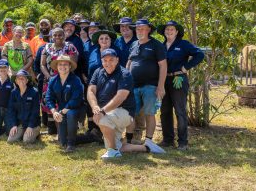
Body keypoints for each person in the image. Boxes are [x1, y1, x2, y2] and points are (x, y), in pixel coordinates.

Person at [87, 48, 166, 159]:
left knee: (102, 119)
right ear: (101, 61)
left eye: (111, 60)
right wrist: (95, 106)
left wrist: (102, 111)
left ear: (117, 60)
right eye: (105, 60)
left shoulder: (124, 74)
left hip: (124, 112)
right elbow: (91, 90)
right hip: (107, 112)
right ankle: (146, 148)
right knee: (117, 145)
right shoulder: (98, 72)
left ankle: (113, 151)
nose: (108, 63)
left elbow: (120, 97)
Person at [157, 21, 204, 150]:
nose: (169, 31)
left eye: (172, 29)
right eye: (167, 29)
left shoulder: (183, 44)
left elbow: (199, 54)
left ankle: (183, 142)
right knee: (165, 111)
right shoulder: (161, 46)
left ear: (177, 32)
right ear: (164, 32)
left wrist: (186, 67)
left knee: (180, 111)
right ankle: (168, 140)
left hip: (178, 79)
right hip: (164, 80)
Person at [126, 19, 167, 144]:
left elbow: (163, 65)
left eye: (143, 28)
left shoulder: (156, 45)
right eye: (138, 29)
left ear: (149, 29)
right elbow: (129, 62)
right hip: (133, 86)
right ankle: (130, 140)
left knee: (150, 113)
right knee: (130, 114)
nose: (140, 31)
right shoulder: (134, 44)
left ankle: (148, 141)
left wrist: (160, 86)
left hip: (150, 86)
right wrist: (125, 82)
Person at [39, 28, 79, 135]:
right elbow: (42, 64)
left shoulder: (70, 47)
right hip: (49, 80)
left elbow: (73, 64)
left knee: (63, 104)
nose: (57, 37)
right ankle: (54, 130)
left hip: (66, 80)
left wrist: (62, 77)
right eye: (55, 35)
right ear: (52, 36)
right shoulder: (47, 47)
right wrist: (49, 76)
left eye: (60, 35)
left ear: (64, 36)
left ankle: (64, 131)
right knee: (51, 104)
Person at [46, 55, 83, 153]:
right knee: (62, 142)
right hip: (61, 111)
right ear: (57, 67)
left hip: (75, 109)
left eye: (65, 64)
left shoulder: (76, 80)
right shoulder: (53, 80)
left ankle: (71, 144)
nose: (63, 66)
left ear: (70, 66)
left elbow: (77, 99)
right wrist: (54, 112)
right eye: (60, 64)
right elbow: (49, 98)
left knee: (70, 114)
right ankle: (89, 137)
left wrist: (64, 110)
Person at [6, 69, 41, 144]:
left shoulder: (34, 92)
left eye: (23, 78)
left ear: (27, 80)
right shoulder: (13, 93)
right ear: (16, 81)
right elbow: (11, 110)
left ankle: (36, 132)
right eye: (18, 78)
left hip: (32, 124)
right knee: (10, 140)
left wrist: (30, 126)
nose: (20, 80)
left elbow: (35, 112)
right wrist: (14, 125)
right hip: (20, 123)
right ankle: (23, 133)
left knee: (27, 140)